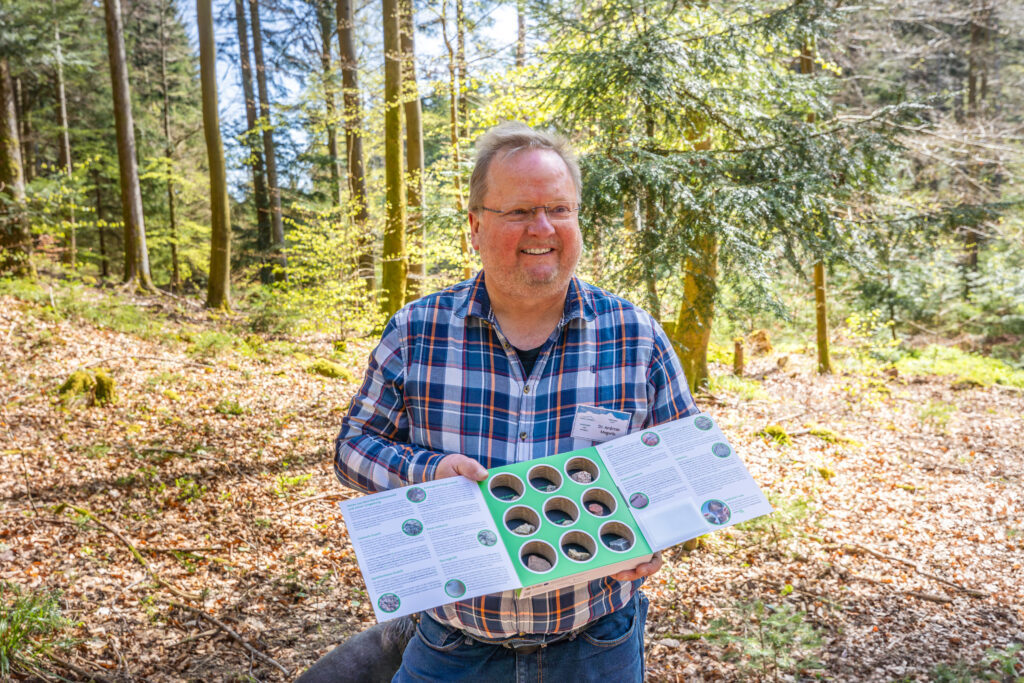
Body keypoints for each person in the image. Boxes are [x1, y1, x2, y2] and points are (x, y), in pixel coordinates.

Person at [329, 122, 698, 682]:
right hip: (452, 644)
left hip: (597, 642)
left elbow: (687, 472)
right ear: (475, 227)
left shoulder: (635, 335)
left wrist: (659, 534)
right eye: (520, 211)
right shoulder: (417, 330)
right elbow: (353, 447)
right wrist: (428, 471)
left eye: (560, 209)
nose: (543, 228)